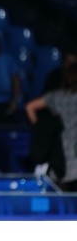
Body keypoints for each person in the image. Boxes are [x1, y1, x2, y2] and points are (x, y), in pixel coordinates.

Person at [26, 62, 77, 191]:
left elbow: (30, 107)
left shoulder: (55, 97)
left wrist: (40, 129)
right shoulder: (56, 96)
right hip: (66, 154)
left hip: (59, 156)